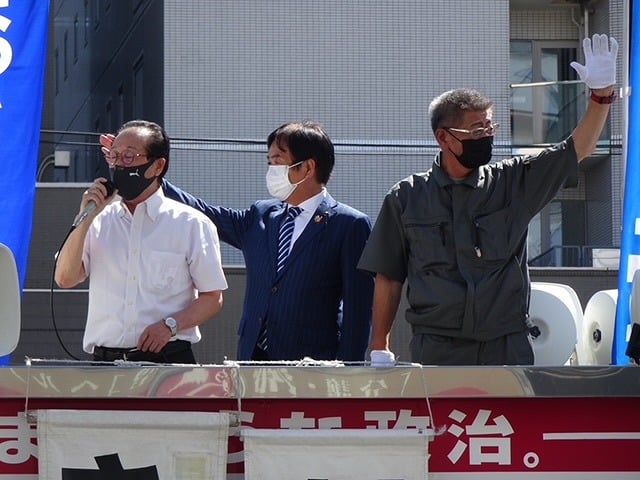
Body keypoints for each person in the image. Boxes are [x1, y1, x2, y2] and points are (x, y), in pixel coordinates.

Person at [359, 33, 619, 366]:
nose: (486, 136)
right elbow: (388, 277)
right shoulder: (406, 198)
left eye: (489, 127)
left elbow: (576, 150)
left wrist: (600, 97)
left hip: (505, 346)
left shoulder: (514, 182)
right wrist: (379, 346)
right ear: (444, 138)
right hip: (438, 348)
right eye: (476, 130)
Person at [101, 120, 374, 362]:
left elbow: (359, 310)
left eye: (277, 161)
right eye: (269, 162)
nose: (271, 169)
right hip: (253, 358)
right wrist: (144, 171)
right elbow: (207, 212)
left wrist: (348, 372)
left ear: (308, 167)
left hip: (314, 363)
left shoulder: (348, 224)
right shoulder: (262, 215)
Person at [55, 120, 228, 363]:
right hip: (105, 363)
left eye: (129, 156)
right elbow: (65, 278)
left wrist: (170, 325)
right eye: (115, 156)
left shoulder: (191, 223)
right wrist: (84, 218)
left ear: (158, 166)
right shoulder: (99, 219)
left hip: (167, 359)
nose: (119, 165)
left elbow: (212, 298)